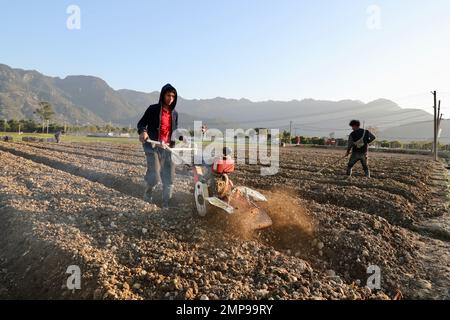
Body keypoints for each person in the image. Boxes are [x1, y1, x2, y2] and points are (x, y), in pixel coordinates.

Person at [137, 84, 179, 209]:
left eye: (173, 96)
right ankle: (148, 193)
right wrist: (143, 131)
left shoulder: (175, 113)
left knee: (169, 177)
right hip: (152, 145)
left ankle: (166, 204)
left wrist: (181, 138)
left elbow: (175, 131)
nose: (170, 98)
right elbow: (142, 123)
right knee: (155, 175)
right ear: (162, 95)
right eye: (168, 95)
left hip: (167, 148)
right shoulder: (153, 109)